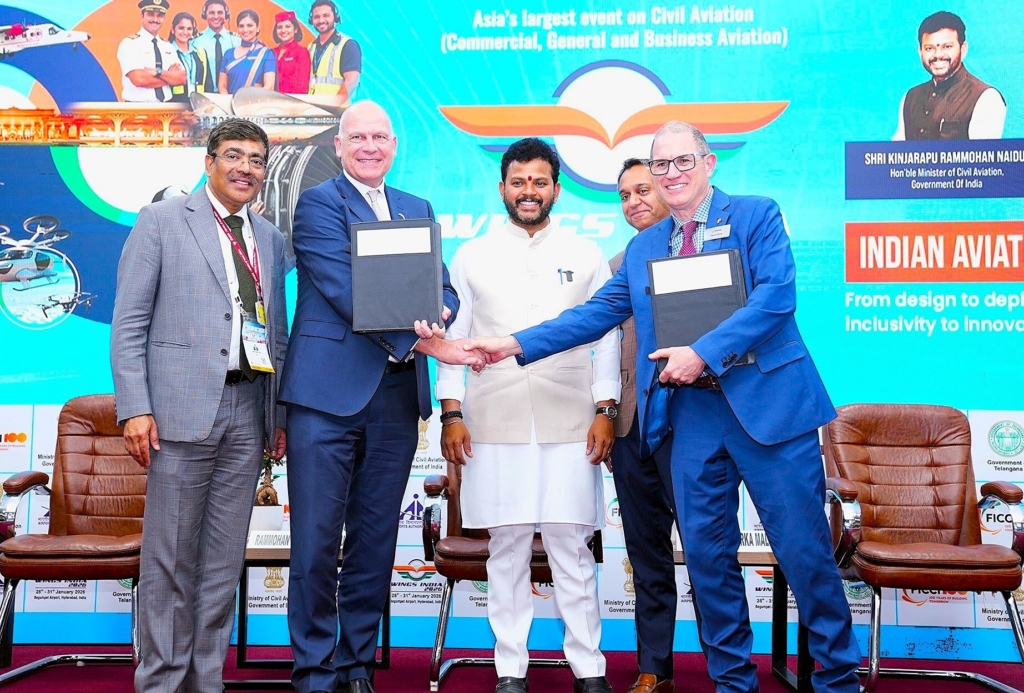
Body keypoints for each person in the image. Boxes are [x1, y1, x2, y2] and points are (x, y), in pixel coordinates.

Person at [469, 121, 863, 693]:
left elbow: (776, 297)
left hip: (769, 410)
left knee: (804, 554)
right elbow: (593, 315)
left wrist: (702, 353)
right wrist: (513, 344)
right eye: (662, 165)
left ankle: (837, 681)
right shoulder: (644, 248)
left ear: (708, 164)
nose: (672, 174)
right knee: (707, 562)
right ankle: (733, 683)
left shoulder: (756, 215)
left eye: (683, 162)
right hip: (691, 418)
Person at [279, 100, 480, 693]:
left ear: (395, 146)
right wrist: (420, 341)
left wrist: (440, 316)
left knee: (374, 541)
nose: (370, 146)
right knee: (316, 541)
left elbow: (440, 286)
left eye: (381, 137)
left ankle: (356, 666)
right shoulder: (317, 204)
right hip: (325, 397)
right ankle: (314, 671)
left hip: (395, 399)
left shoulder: (416, 208)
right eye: (358, 137)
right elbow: (345, 287)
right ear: (338, 147)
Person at [111, 118, 288, 693]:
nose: (246, 168)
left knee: (221, 563)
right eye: (234, 155)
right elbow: (129, 324)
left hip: (248, 410)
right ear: (209, 161)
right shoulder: (161, 222)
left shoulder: (268, 237)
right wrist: (135, 407)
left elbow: (274, 333)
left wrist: (276, 417)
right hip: (179, 415)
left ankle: (203, 680)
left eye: (256, 160)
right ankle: (162, 682)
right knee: (169, 562)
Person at [436, 138, 618, 693]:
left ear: (557, 189)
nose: (529, 192)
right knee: (507, 548)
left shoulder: (586, 253)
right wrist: (451, 411)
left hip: (571, 418)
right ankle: (510, 669)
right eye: (519, 182)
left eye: (540, 182)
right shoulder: (472, 254)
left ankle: (589, 669)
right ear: (502, 189)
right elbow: (454, 339)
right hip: (495, 420)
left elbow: (606, 335)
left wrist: (605, 406)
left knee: (571, 546)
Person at [611, 158, 699, 693]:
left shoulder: (705, 253)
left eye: (643, 189)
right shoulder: (619, 262)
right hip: (630, 428)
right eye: (624, 195)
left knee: (706, 550)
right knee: (646, 551)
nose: (634, 202)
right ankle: (654, 666)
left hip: (692, 426)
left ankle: (726, 662)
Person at [894, 11, 1006, 140]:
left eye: (947, 47)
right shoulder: (910, 97)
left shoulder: (986, 98)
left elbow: (982, 157)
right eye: (929, 48)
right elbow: (897, 154)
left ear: (962, 49)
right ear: (920, 52)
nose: (938, 55)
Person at [116, 0, 185, 103]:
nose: (155, 19)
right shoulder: (129, 44)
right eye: (151, 14)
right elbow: (139, 79)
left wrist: (157, 72)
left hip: (166, 108)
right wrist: (169, 78)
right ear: (142, 16)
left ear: (164, 18)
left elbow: (181, 78)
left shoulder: (168, 46)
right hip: (137, 109)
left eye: (160, 15)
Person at [307, 0, 361, 99]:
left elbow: (351, 81)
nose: (321, 20)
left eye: (326, 15)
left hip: (338, 112)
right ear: (311, 20)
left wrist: (333, 107)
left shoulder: (348, 45)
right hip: (314, 110)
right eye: (316, 17)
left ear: (335, 17)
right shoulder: (311, 47)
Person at [218, 9, 276, 94]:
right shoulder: (228, 54)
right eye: (241, 26)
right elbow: (222, 85)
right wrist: (228, 103)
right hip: (230, 104)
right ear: (237, 28)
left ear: (258, 27)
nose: (245, 30)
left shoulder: (266, 54)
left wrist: (250, 103)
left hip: (255, 104)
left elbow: (269, 86)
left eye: (250, 25)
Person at [192, 0, 240, 93]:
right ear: (205, 15)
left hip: (232, 94)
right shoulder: (195, 42)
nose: (216, 16)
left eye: (220, 12)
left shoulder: (237, 41)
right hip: (205, 95)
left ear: (226, 15)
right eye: (212, 13)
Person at [167, 12, 210, 101]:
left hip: (198, 105)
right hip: (174, 105)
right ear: (173, 29)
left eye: (189, 28)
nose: (185, 32)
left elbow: (208, 84)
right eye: (181, 28)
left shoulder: (200, 52)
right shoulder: (166, 52)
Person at [273, 10, 312, 94]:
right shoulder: (271, 52)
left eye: (287, 26)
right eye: (279, 27)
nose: (283, 30)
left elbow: (302, 87)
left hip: (291, 103)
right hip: (271, 101)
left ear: (295, 29)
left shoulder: (302, 53)